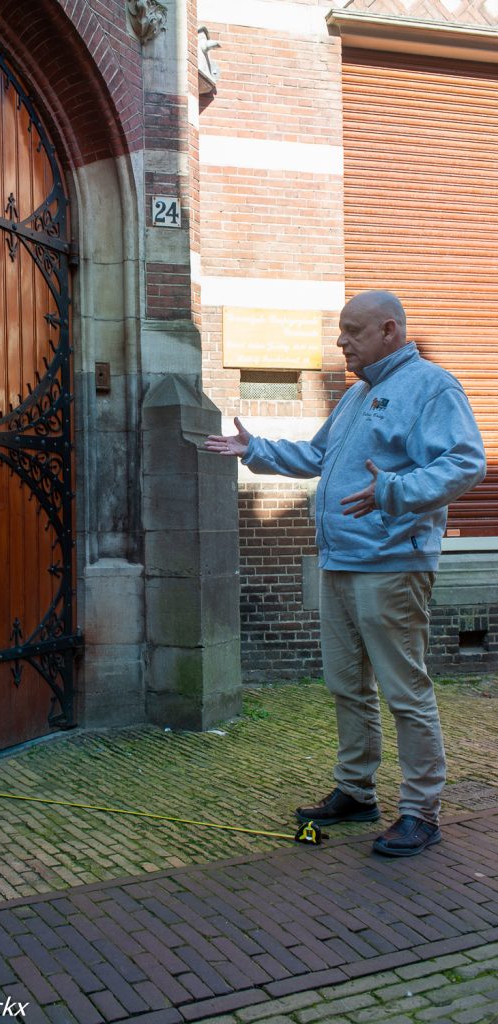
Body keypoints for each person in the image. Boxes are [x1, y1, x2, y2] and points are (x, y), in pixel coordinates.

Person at [205, 290, 486, 857]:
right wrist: (253, 448)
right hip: (341, 561)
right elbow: (319, 457)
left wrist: (395, 491)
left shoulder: (432, 387)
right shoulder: (359, 396)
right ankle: (358, 791)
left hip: (392, 564)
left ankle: (421, 812)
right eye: (340, 331)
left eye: (352, 331)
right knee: (346, 687)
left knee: (405, 692)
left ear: (389, 330)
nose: (341, 342)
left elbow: (465, 462)